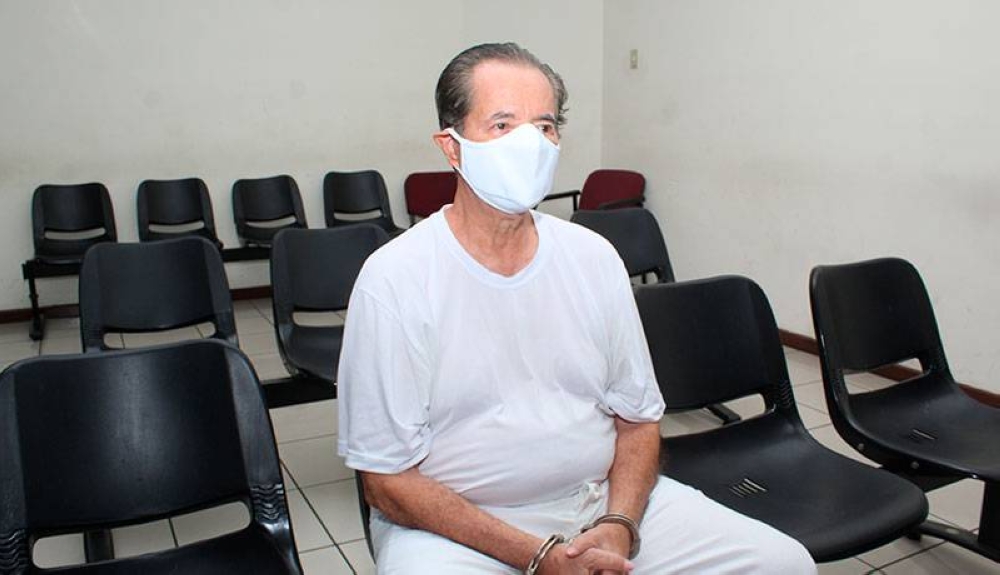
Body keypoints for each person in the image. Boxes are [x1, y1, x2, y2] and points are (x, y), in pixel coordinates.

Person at [337, 42, 816, 574]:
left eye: (544, 126)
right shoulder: (395, 278)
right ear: (452, 147)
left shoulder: (593, 258)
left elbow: (638, 420)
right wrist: (537, 557)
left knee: (782, 563)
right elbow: (386, 481)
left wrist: (619, 525)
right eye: (502, 125)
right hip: (456, 527)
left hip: (597, 500)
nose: (529, 144)